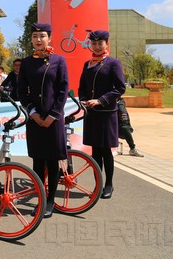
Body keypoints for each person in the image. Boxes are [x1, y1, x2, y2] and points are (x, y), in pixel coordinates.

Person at [17, 23, 69, 218]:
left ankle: (50, 201)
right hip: (35, 118)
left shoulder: (58, 60)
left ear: (49, 38)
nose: (38, 40)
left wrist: (53, 115)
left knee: (53, 160)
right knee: (38, 161)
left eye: (42, 36)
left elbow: (63, 89)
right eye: (35, 36)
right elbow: (21, 91)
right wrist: (32, 112)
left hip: (53, 119)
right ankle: (40, 199)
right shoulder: (26, 62)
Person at [79, 30, 126, 199]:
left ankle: (109, 185)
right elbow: (82, 87)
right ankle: (98, 185)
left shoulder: (113, 63)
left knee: (106, 151)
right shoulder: (88, 64)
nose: (97, 46)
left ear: (107, 44)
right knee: (95, 152)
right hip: (92, 114)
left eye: (100, 43)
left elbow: (120, 88)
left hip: (106, 114)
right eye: (94, 43)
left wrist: (100, 100)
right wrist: (83, 100)